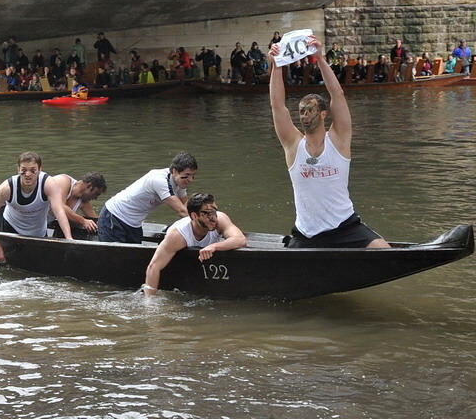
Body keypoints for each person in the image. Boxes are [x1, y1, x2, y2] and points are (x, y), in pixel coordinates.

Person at [268, 36, 389, 248]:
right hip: (306, 234)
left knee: (385, 252)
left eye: (310, 110)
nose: (304, 116)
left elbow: (338, 95)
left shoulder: (339, 139)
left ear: (324, 113)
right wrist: (277, 65)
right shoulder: (293, 144)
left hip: (345, 227)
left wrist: (319, 59)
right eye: (301, 112)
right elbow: (277, 105)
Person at [141, 192, 246, 296]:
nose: (213, 217)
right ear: (194, 215)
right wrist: (150, 300)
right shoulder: (177, 236)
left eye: (215, 212)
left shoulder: (220, 219)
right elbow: (154, 266)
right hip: (173, 240)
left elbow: (240, 239)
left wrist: (214, 246)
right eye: (208, 213)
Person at [0, 152, 75, 263]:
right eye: (23, 170)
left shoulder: (48, 184)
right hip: (10, 228)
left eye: (33, 170)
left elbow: (59, 211)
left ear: (40, 169)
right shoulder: (7, 188)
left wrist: (68, 238)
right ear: (18, 169)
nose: (28, 174)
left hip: (38, 232)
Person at [97, 152, 198, 244]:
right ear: (175, 171)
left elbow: (187, 207)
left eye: (193, 176)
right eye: (187, 175)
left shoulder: (180, 182)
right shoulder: (159, 180)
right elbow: (181, 211)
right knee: (114, 258)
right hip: (114, 216)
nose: (190, 180)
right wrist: (202, 225)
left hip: (134, 223)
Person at [46, 172, 106, 238]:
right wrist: (83, 221)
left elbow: (96, 221)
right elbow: (60, 206)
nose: (96, 198)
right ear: (89, 186)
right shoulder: (63, 181)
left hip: (43, 224)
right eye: (96, 194)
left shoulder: (84, 202)